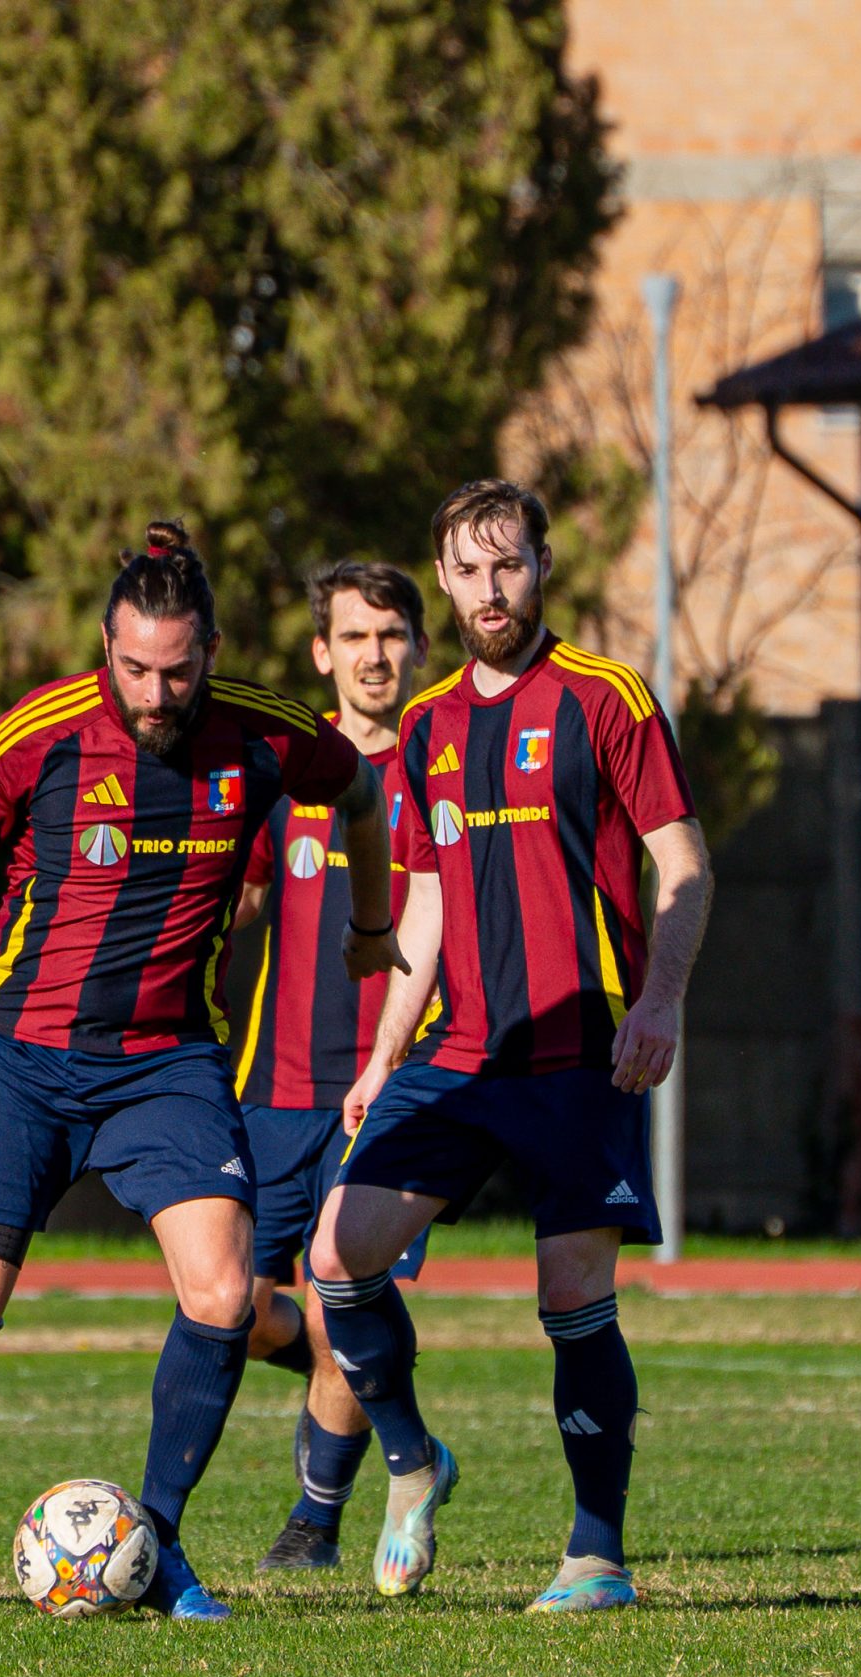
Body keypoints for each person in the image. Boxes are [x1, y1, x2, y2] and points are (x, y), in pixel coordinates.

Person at [0, 522, 397, 1621]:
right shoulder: (42, 733)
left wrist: (371, 926)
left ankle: (160, 1540)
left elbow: (362, 794)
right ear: (106, 646)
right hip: (20, 1059)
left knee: (223, 1292)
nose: (154, 693)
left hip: (166, 1064)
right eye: (134, 668)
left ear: (210, 650)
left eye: (176, 671)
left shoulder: (264, 735)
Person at [307, 479, 713, 1614]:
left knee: (571, 1288)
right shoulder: (428, 727)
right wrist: (385, 1053)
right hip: (463, 1053)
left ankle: (596, 1556)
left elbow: (684, 864)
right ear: (443, 580)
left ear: (541, 568)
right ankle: (410, 1460)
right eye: (470, 570)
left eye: (510, 565)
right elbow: (428, 904)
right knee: (336, 1255)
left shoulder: (605, 697)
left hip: (584, 1050)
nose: (491, 590)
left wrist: (662, 1000)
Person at [231, 561, 434, 1572]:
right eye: (354, 636)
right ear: (322, 652)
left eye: (391, 635)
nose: (374, 655)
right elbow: (238, 896)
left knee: (330, 1300)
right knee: (226, 1307)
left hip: (388, 1095)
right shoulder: (287, 768)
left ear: (419, 647)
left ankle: (314, 1523)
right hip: (269, 1092)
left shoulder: (444, 768)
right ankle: (378, 1377)